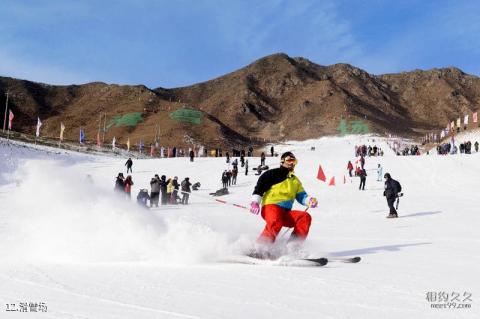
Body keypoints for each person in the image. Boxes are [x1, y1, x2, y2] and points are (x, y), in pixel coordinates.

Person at [249, 151, 318, 247]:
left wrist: (309, 200)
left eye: (294, 161)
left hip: (285, 212)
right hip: (271, 207)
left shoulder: (295, 180)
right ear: (282, 161)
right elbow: (259, 187)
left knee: (305, 217)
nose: (292, 163)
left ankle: (292, 247)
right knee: (275, 220)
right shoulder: (272, 174)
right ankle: (261, 247)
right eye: (289, 160)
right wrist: (255, 202)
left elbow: (302, 196)